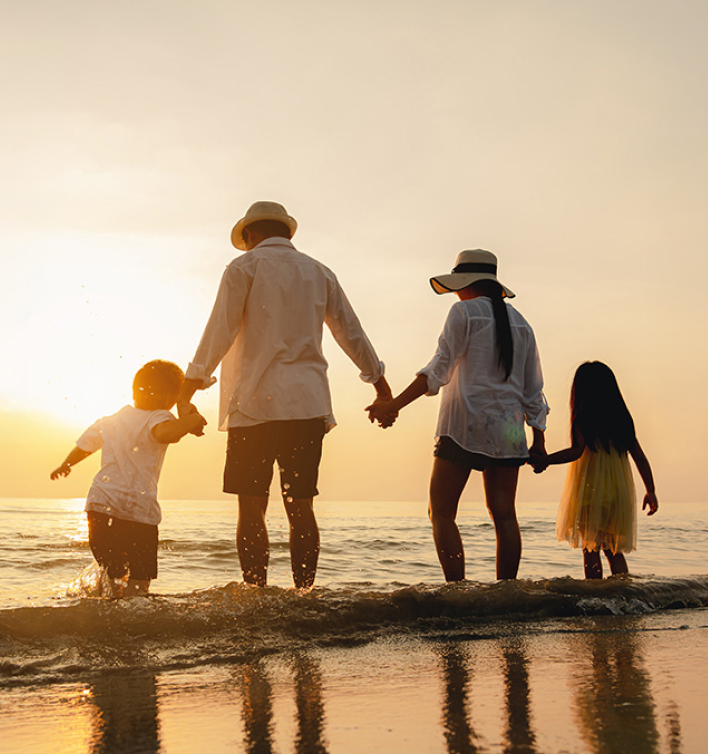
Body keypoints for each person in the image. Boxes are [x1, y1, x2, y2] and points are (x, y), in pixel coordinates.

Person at [177, 201, 392, 589]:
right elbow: (350, 332)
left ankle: (256, 593)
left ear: (249, 235)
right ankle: (304, 594)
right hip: (306, 405)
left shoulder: (243, 268)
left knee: (251, 506)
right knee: (301, 507)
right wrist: (380, 386)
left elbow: (219, 332)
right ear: (286, 232)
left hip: (254, 405)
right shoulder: (319, 272)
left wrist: (188, 390)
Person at [368, 249, 548, 582]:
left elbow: (438, 368)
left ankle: (457, 590)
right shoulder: (522, 323)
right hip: (509, 429)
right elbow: (533, 390)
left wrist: (394, 405)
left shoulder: (464, 311)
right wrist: (538, 440)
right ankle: (506, 593)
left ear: (465, 284)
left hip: (464, 424)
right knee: (505, 516)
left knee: (441, 512)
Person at [51, 360, 206, 597]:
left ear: (135, 390)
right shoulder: (158, 416)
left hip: (100, 507)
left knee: (113, 576)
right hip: (137, 511)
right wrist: (189, 422)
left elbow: (85, 446)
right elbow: (166, 434)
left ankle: (108, 616)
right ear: (171, 397)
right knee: (138, 583)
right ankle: (132, 621)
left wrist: (66, 464)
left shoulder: (110, 420)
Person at [530, 361, 658, 579]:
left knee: (590, 548)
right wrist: (650, 490)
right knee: (613, 549)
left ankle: (594, 593)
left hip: (591, 493)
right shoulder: (622, 420)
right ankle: (622, 591)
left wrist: (547, 460)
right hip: (618, 495)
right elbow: (640, 457)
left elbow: (576, 451)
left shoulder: (584, 418)